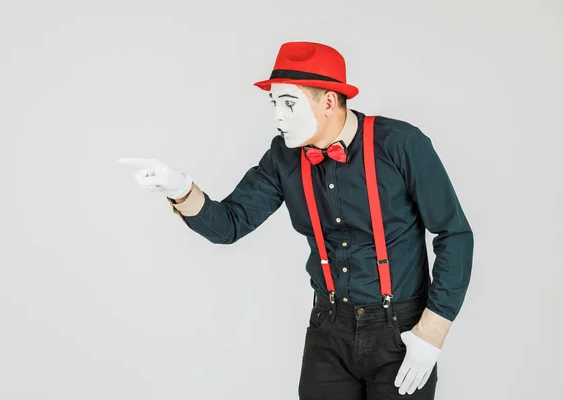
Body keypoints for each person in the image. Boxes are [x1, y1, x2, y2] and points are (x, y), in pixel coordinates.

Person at [119, 41, 474, 399]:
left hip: (401, 327)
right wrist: (180, 188)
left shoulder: (400, 144)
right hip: (328, 327)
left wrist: (433, 330)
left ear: (329, 102)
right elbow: (229, 224)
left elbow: (454, 233)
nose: (277, 117)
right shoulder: (282, 158)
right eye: (274, 104)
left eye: (289, 104)